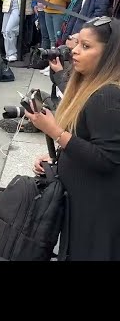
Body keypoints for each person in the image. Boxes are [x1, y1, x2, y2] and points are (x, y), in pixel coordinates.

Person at [26, 16, 120, 260]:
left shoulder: (107, 95)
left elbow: (107, 159)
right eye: (77, 44)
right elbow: (86, 142)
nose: (75, 52)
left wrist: (55, 131)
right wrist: (57, 158)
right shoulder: (92, 85)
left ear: (109, 54)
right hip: (82, 202)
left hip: (96, 211)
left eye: (86, 47)